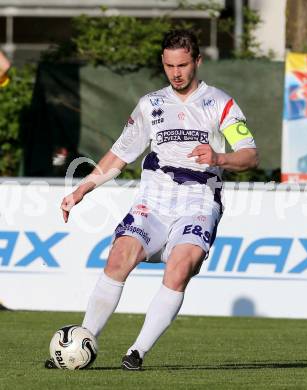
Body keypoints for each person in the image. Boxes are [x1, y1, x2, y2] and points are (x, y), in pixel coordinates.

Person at [45, 29, 258, 370]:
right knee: (119, 257)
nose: (176, 73)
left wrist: (219, 158)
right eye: (170, 65)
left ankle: (137, 352)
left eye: (184, 65)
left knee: (181, 266)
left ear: (198, 62)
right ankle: (80, 343)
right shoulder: (151, 104)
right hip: (154, 201)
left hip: (198, 202)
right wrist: (81, 190)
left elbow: (249, 156)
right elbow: (119, 155)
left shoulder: (220, 103)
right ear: (163, 62)